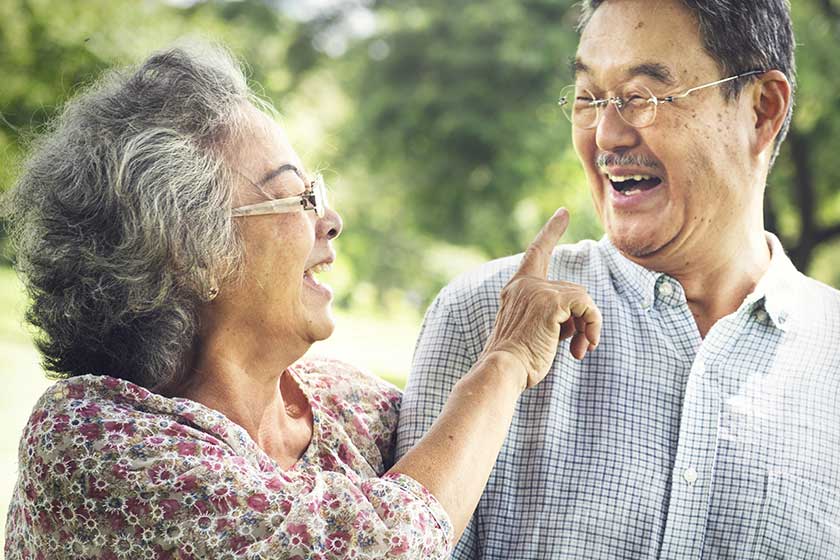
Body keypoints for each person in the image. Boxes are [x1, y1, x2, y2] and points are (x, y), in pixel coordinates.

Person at [3, 42, 601, 559]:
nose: (332, 219)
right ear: (193, 251)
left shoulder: (345, 404)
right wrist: (504, 362)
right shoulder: (90, 443)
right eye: (297, 197)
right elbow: (389, 543)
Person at [397, 1, 840, 558]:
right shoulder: (484, 317)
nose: (606, 135)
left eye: (641, 96)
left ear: (761, 109)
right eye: (588, 98)